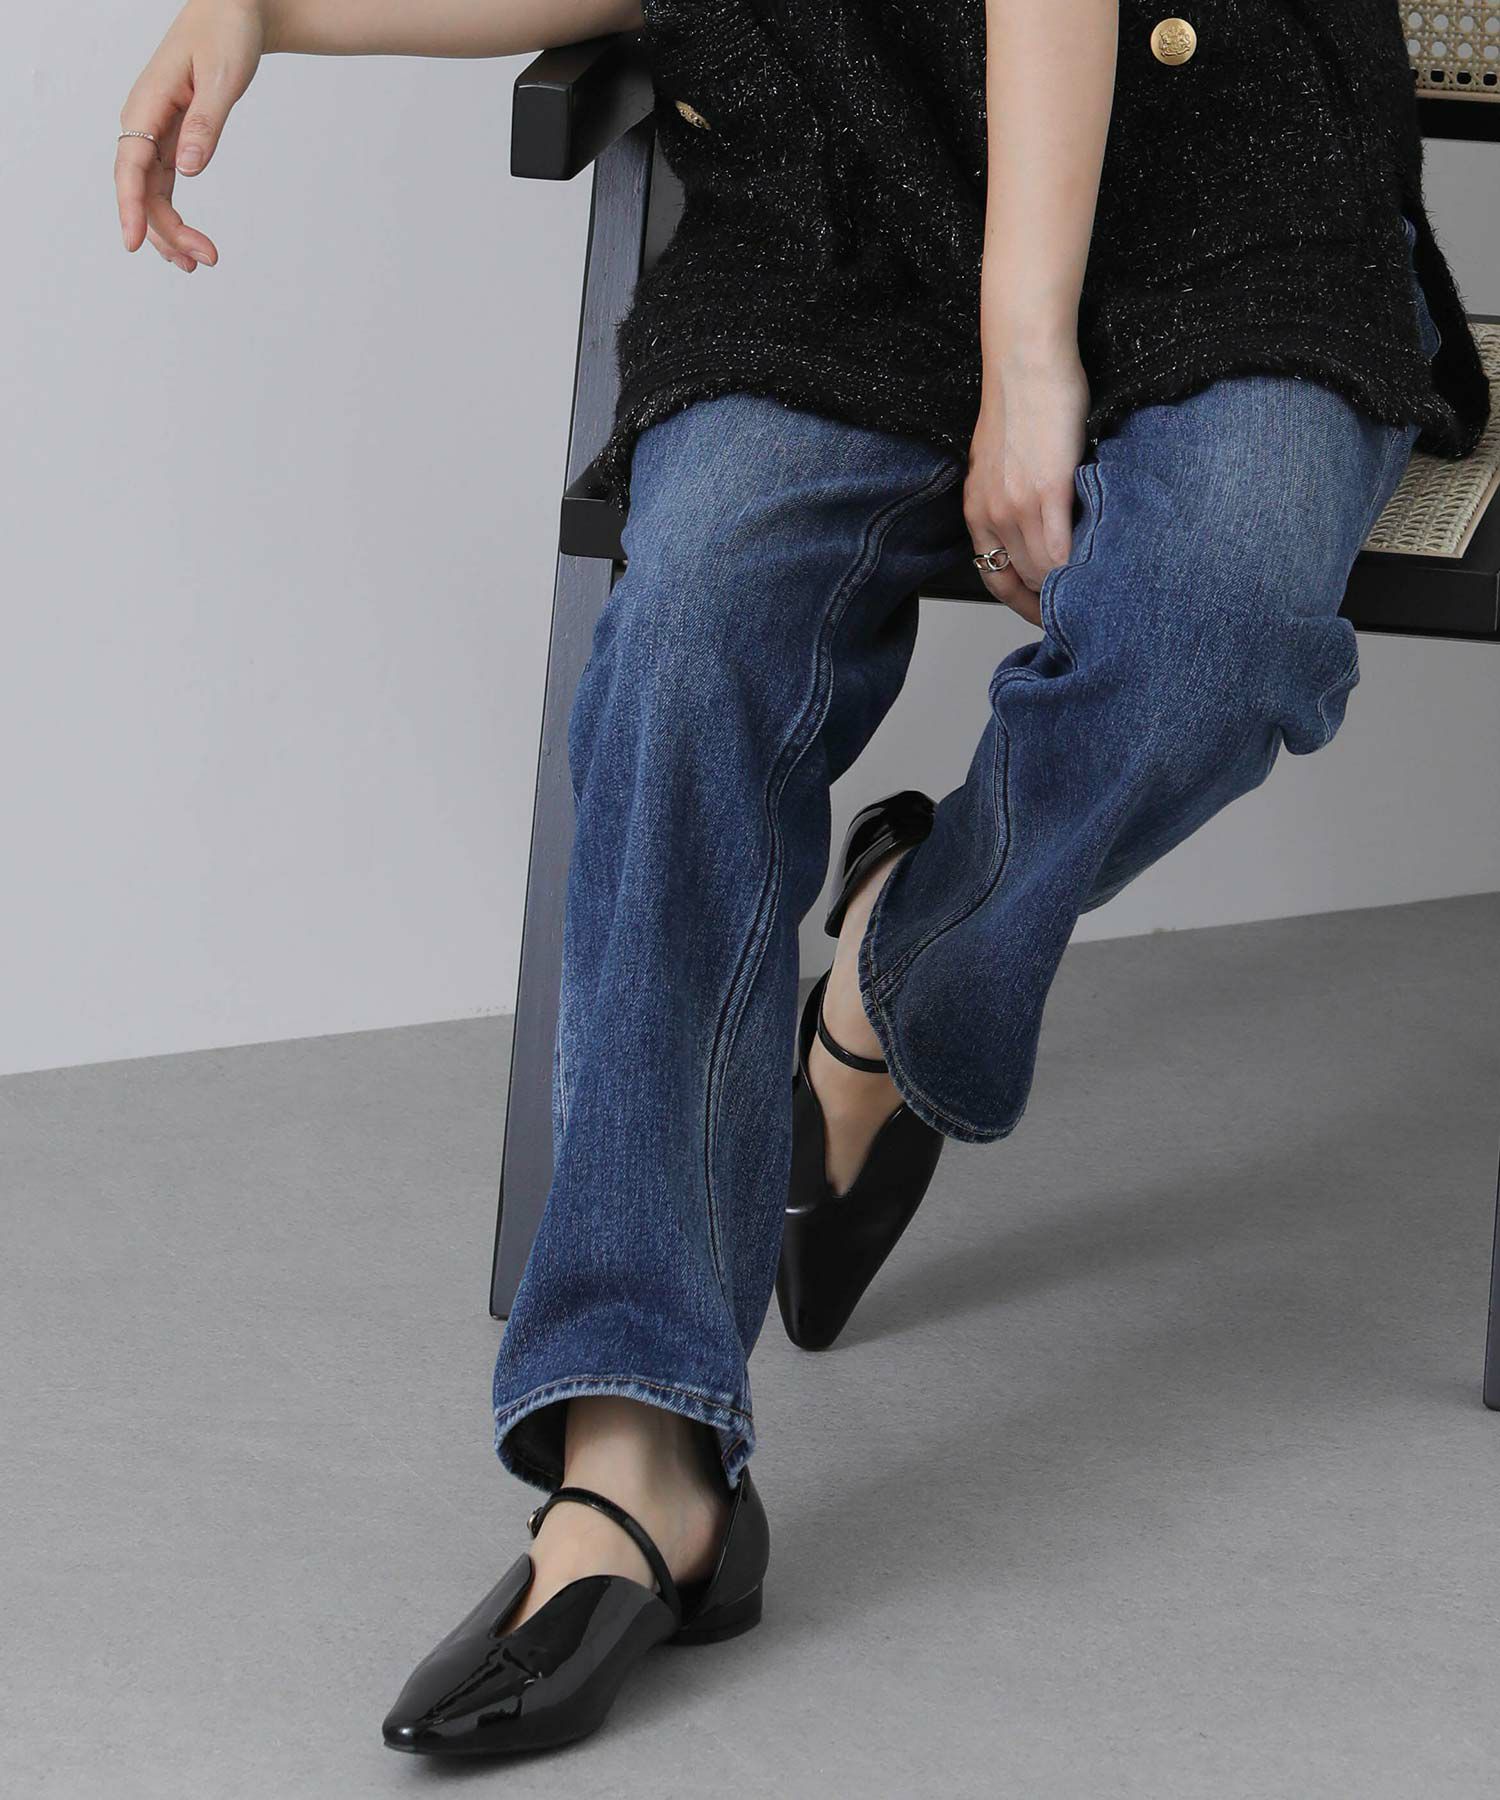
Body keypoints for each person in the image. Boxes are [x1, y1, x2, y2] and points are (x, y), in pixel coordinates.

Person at [115, 0, 1492, 1761]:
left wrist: (1025, 353)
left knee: (1209, 631)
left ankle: (891, 988)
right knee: (686, 643)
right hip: (840, 212)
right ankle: (640, 1457)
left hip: (1217, 180)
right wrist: (265, 10)